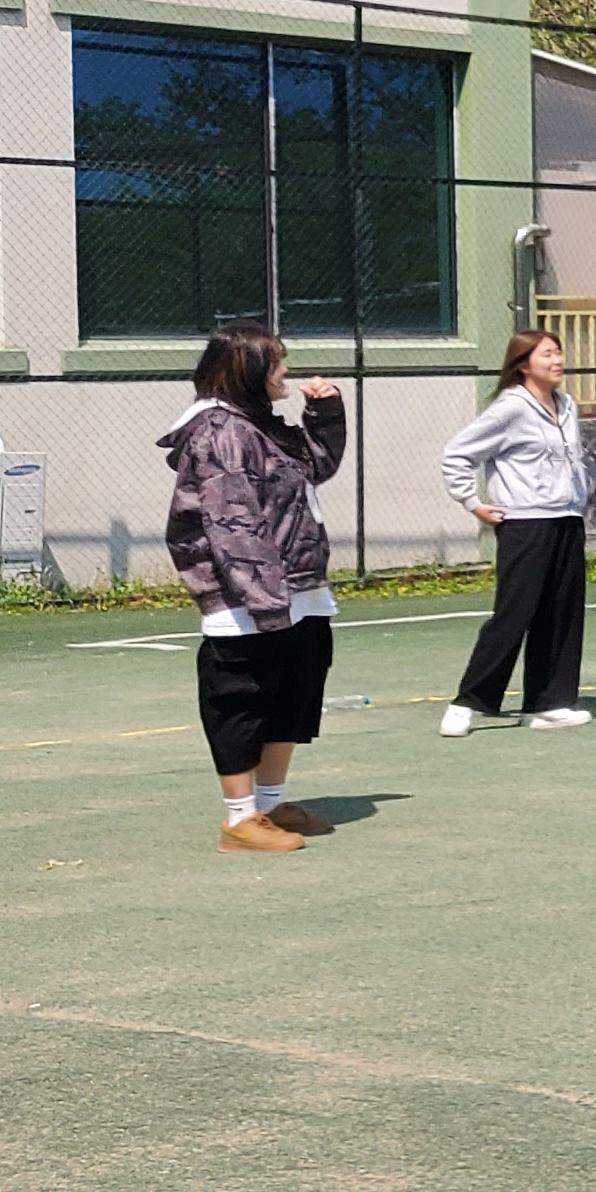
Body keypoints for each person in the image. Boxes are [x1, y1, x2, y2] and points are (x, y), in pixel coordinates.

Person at [160, 323, 348, 854]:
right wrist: (266, 602)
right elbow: (232, 523)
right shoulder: (220, 432)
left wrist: (325, 413)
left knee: (292, 695)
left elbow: (315, 466)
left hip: (298, 590)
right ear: (248, 372)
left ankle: (268, 804)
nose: (286, 371)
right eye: (277, 363)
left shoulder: (259, 424)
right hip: (251, 601)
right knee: (242, 701)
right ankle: (239, 819)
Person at [436, 329, 596, 736]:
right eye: (547, 355)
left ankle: (548, 703)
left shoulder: (567, 404)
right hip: (525, 524)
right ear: (523, 364)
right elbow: (457, 454)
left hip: (567, 519)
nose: (557, 361)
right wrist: (472, 502)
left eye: (559, 352)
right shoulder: (511, 409)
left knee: (561, 611)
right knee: (515, 612)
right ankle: (467, 702)